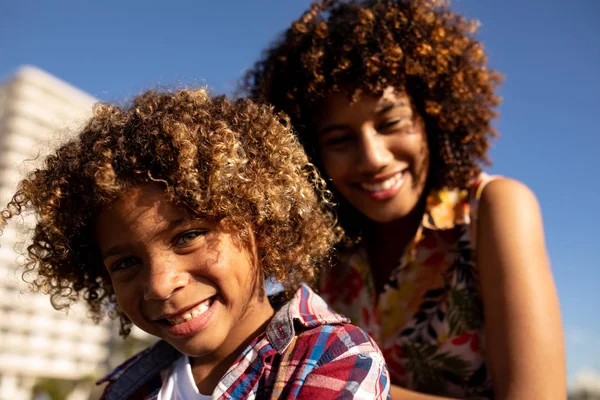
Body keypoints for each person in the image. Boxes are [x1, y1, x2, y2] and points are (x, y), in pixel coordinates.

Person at [244, 0, 566, 398]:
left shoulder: (493, 208)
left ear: (432, 116)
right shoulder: (322, 249)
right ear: (311, 154)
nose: (374, 158)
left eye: (391, 123)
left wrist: (333, 382)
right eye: (339, 140)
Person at [0, 88, 391, 399]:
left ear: (260, 226)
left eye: (187, 237)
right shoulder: (128, 386)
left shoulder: (332, 359)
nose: (159, 284)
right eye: (125, 263)